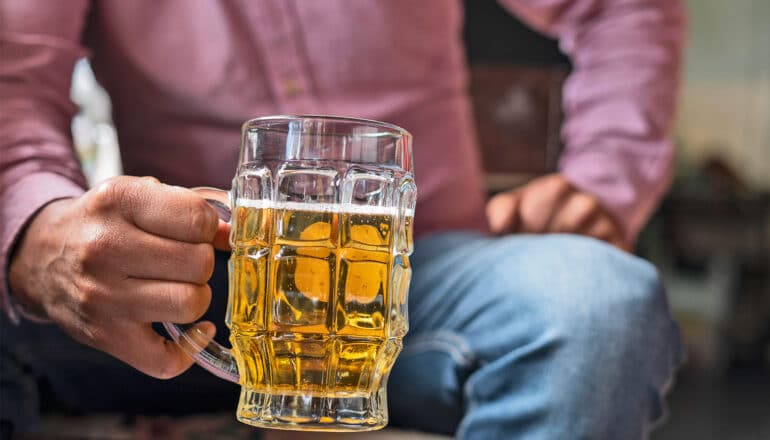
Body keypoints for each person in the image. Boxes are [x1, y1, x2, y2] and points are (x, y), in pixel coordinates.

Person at [1, 0, 686, 438]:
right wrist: (36, 233)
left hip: (423, 274)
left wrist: (605, 177)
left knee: (599, 306)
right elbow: (15, 80)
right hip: (194, 290)